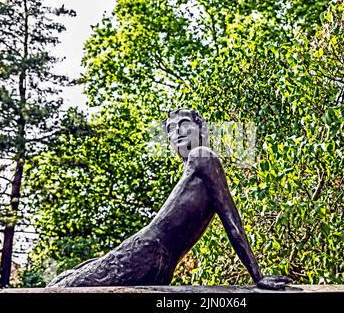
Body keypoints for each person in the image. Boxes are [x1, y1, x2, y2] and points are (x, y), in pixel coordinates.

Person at [47, 109, 292, 290]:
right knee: (70, 278)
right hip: (156, 261)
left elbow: (231, 219)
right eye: (170, 130)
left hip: (147, 252)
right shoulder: (196, 167)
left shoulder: (203, 156)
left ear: (202, 129)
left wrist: (257, 275)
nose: (176, 133)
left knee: (63, 287)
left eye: (183, 124)